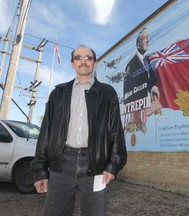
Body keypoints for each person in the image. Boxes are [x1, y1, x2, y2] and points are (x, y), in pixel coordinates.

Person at [31, 45, 127, 216]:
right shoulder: (58, 94)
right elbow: (45, 133)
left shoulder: (107, 93)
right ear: (72, 64)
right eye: (78, 57)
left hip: (96, 166)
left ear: (95, 63)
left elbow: (115, 132)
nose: (84, 61)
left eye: (88, 58)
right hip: (60, 165)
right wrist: (40, 170)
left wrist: (112, 166)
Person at [123, 27, 161, 134]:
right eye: (145, 38)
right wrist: (135, 117)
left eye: (148, 37)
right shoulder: (131, 64)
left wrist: (154, 94)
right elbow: (128, 93)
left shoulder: (147, 61)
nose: (148, 40)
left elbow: (151, 80)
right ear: (138, 43)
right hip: (137, 112)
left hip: (146, 108)